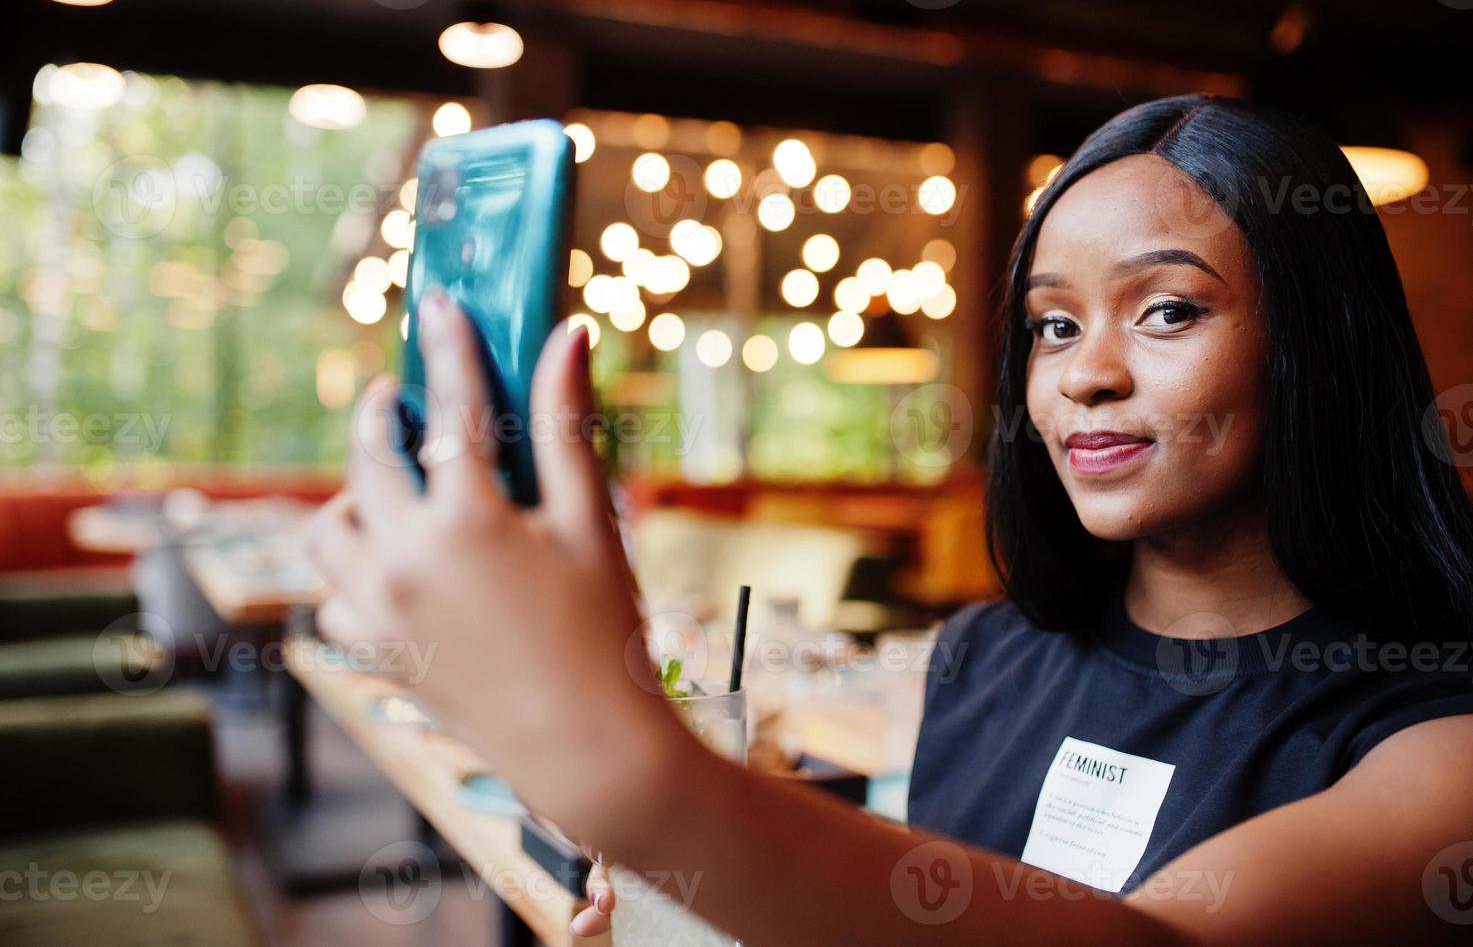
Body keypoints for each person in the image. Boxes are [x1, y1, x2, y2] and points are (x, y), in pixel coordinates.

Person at [307, 95, 1473, 943]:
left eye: (1166, 310)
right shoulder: (980, 655)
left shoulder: (1437, 748)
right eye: (1054, 326)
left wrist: (637, 778)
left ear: (1317, 347)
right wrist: (735, 903)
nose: (1083, 374)